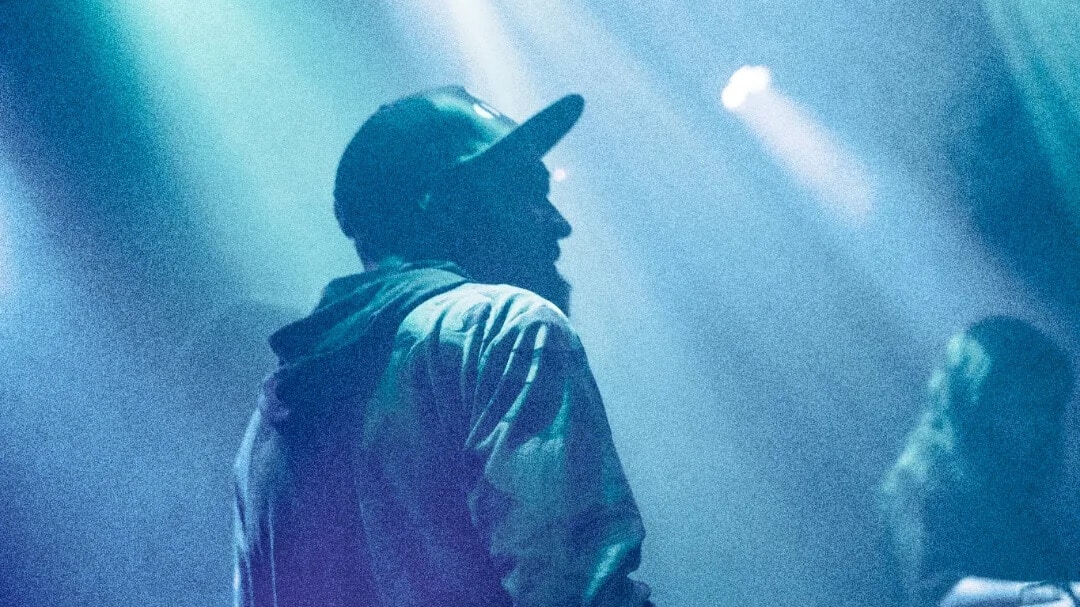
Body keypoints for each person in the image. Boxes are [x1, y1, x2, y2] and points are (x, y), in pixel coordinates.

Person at [231, 86, 652, 607]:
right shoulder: (504, 329)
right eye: (527, 191)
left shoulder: (265, 430)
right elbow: (578, 594)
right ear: (448, 206)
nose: (558, 222)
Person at [879, 316, 1077, 607]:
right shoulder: (917, 484)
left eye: (1051, 408)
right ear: (980, 404)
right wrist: (1045, 594)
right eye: (1029, 405)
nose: (1044, 424)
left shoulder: (1012, 491)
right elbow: (936, 593)